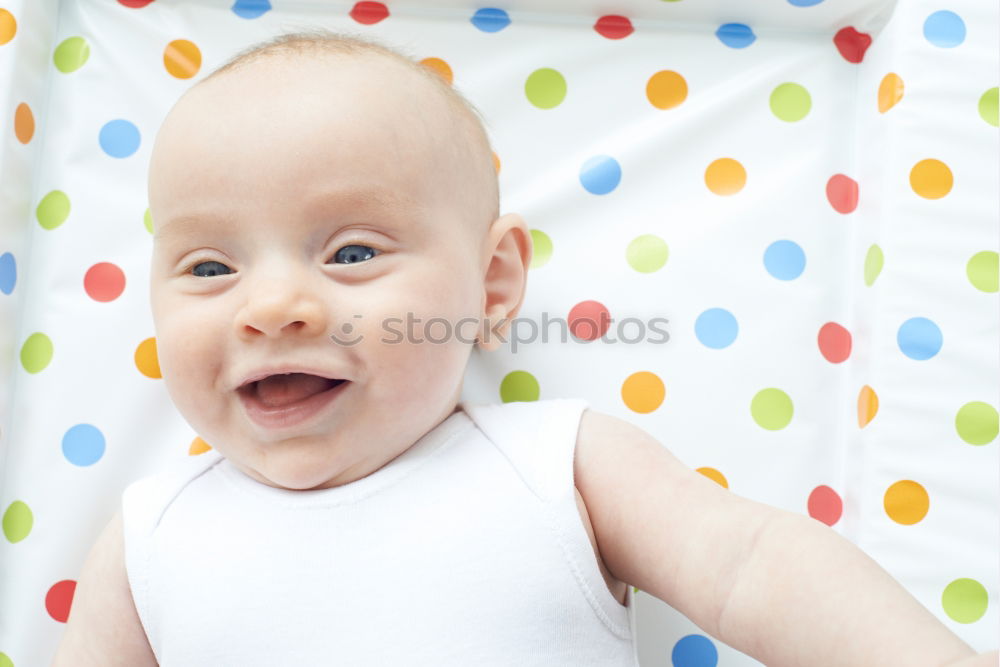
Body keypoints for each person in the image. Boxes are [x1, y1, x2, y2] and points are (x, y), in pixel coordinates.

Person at [52, 29, 996, 666]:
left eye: (351, 252)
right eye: (210, 267)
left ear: (493, 286)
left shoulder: (553, 462)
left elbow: (749, 563)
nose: (272, 307)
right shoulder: (146, 538)